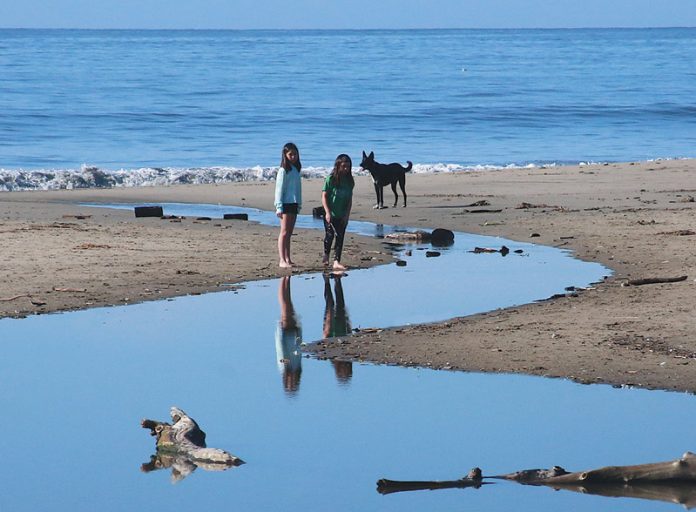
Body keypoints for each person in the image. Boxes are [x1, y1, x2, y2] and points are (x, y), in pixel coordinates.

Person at [321, 153, 354, 271]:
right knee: (329, 235)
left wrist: (347, 215)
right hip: (331, 213)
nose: (346, 169)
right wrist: (327, 212)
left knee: (340, 237)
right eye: (343, 166)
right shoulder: (331, 179)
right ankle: (326, 255)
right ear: (338, 166)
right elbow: (324, 196)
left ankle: (336, 261)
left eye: (348, 166)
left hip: (342, 214)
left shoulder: (349, 181)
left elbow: (350, 200)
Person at [274, 142, 303, 268]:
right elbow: (279, 189)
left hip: (294, 203)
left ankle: (288, 258)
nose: (293, 157)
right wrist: (278, 206)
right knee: (284, 232)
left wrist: (299, 203)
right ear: (285, 155)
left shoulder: (296, 170)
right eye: (290, 154)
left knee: (290, 233)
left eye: (295, 154)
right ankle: (282, 259)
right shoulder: (283, 170)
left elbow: (298, 189)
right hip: (285, 203)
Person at [275, 275, 302, 394]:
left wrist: (279, 332)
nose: (292, 380)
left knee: (286, 306)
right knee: (288, 306)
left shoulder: (284, 368)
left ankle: (284, 280)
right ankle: (285, 280)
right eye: (293, 383)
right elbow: (298, 351)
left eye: (291, 383)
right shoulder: (295, 367)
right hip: (290, 333)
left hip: (286, 334)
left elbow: (280, 352)